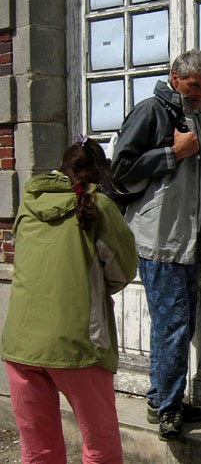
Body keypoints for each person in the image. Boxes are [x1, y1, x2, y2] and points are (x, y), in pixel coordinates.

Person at [1, 137, 138, 464]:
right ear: (99, 174)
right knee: (101, 449)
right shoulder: (99, 206)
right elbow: (123, 270)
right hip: (78, 343)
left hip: (21, 344)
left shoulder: (28, 204)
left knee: (38, 452)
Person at [110, 49, 201, 442]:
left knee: (180, 324)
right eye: (195, 85)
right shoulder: (151, 111)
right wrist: (171, 153)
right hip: (160, 239)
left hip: (185, 240)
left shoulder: (195, 117)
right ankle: (169, 407)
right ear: (175, 78)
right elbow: (119, 170)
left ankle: (162, 396)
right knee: (173, 326)